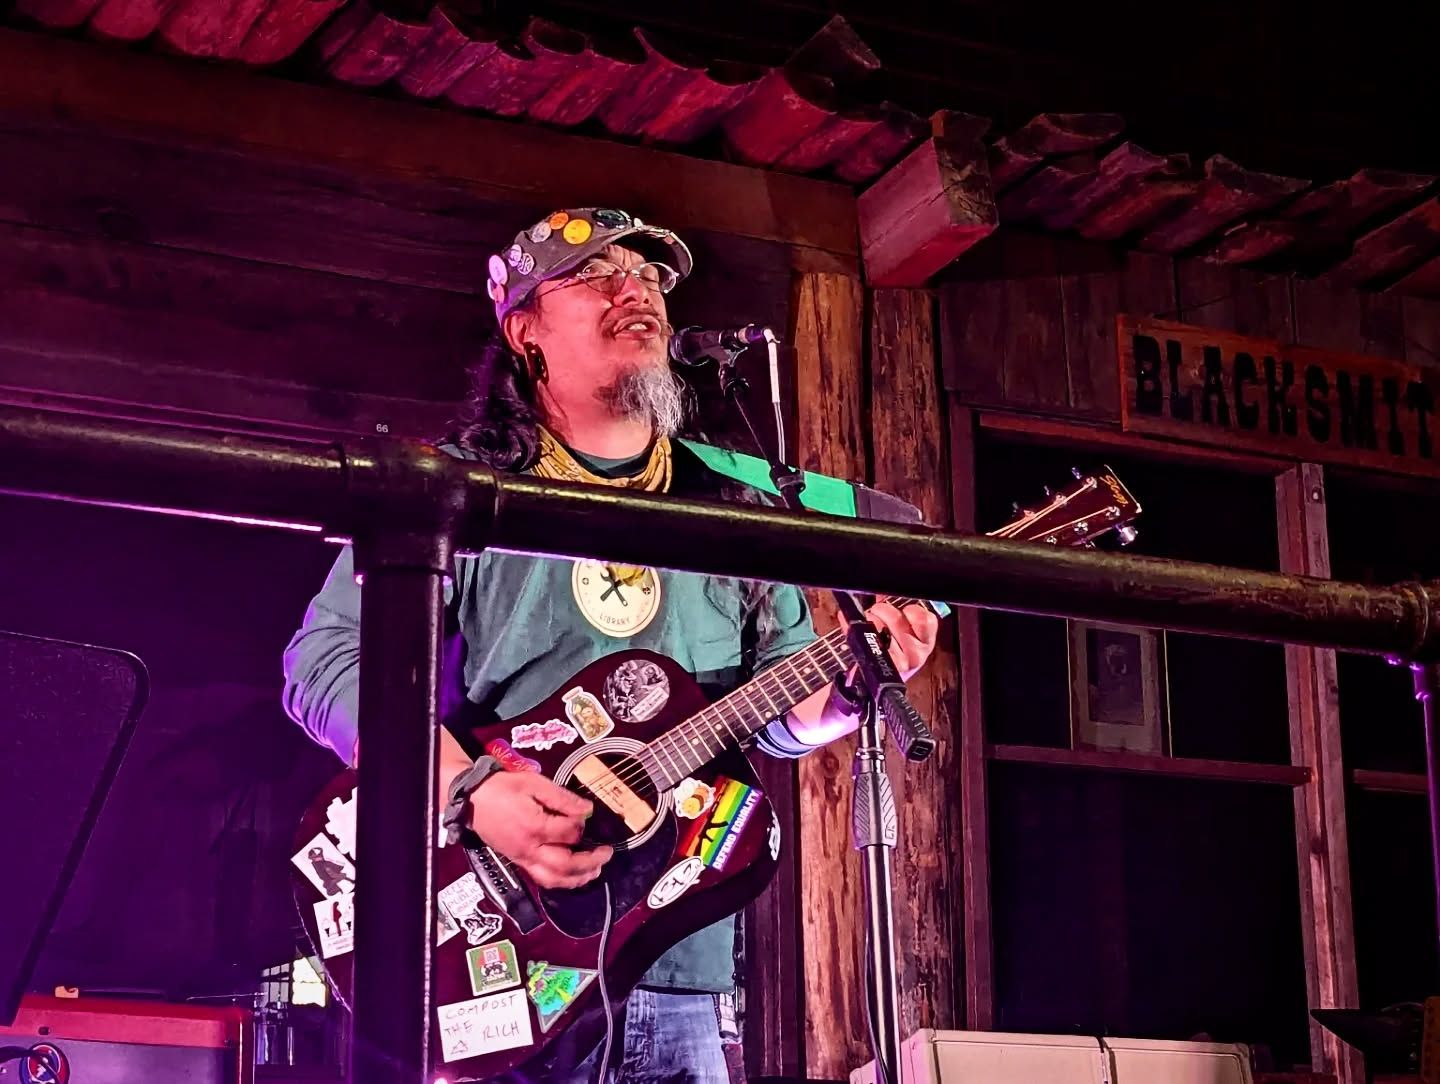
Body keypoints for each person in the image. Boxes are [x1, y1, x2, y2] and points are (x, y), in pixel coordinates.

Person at [281, 207, 939, 1082]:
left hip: (678, 962)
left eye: (650, 276)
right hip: (499, 953)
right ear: (524, 331)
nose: (636, 291)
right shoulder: (459, 489)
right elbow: (323, 663)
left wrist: (852, 690)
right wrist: (469, 788)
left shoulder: (738, 508)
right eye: (595, 275)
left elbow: (780, 713)